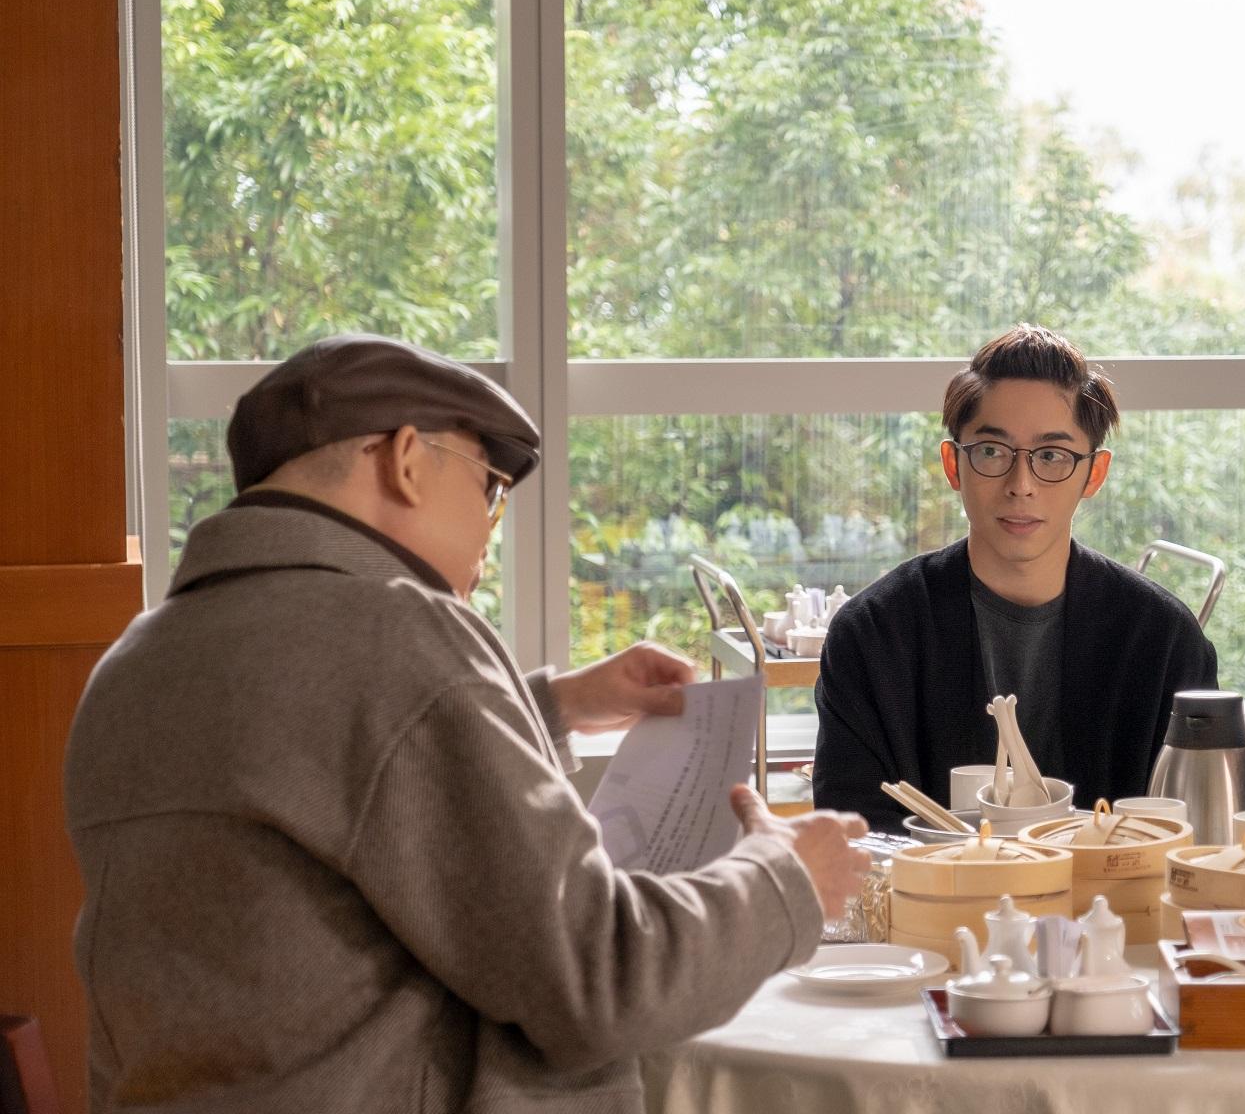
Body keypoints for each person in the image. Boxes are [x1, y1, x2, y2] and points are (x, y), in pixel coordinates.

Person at [64, 334, 871, 1113]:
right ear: (406, 459)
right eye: (490, 487)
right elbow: (600, 981)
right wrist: (783, 880)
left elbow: (327, 789)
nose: (492, 525)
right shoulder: (395, 631)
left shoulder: (137, 661)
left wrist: (548, 706)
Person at [812, 324, 1219, 830]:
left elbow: (1202, 840)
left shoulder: (1163, 637)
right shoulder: (873, 634)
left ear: (1094, 474)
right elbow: (852, 837)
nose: (1020, 485)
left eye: (1052, 456)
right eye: (991, 451)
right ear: (953, 465)